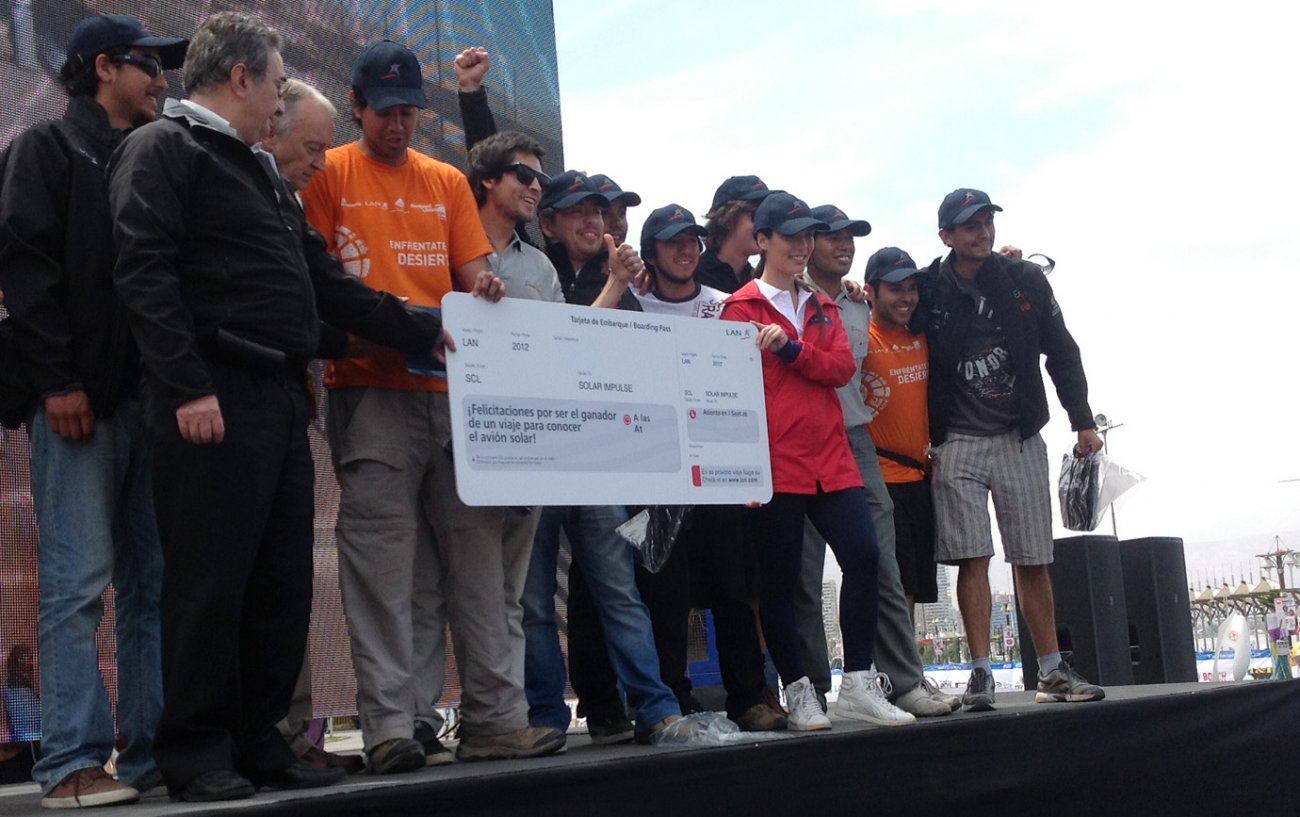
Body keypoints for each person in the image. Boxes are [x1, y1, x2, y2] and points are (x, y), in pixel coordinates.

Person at [108, 12, 450, 801]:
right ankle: (196, 748)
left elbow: (326, 284)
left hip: (278, 396)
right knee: (209, 580)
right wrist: (187, 384)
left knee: (279, 581)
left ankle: (259, 737)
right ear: (241, 79)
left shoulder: (261, 172)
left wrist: (420, 325)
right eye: (275, 80)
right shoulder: (164, 148)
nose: (279, 96)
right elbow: (144, 271)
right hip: (212, 388)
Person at [302, 39, 561, 768]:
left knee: (478, 568)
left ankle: (495, 718)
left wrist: (485, 286)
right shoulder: (329, 175)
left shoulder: (445, 181)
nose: (398, 125)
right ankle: (390, 727)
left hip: (454, 395)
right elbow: (316, 283)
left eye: (409, 111)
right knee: (383, 569)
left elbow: (474, 272)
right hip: (369, 391)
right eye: (385, 111)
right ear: (356, 106)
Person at [0, 13, 187, 808]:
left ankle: (150, 752)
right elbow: (24, 268)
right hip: (79, 401)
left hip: (152, 401)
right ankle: (72, 763)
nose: (162, 79)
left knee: (154, 582)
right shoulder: (44, 147)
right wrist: (57, 381)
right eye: (149, 63)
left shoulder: (154, 155)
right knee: (77, 584)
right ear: (105, 67)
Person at [721, 192, 915, 731]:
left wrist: (790, 350)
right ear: (762, 241)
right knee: (783, 581)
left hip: (830, 455)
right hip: (776, 461)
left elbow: (838, 369)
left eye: (808, 235)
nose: (803, 246)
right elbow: (729, 393)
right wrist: (738, 469)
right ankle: (800, 690)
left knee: (865, 556)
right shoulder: (739, 309)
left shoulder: (824, 305)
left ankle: (858, 682)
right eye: (791, 236)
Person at [918, 188, 1105, 710]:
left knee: (1033, 556)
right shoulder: (929, 286)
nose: (982, 233)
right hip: (956, 439)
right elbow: (889, 307)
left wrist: (1082, 420)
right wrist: (854, 292)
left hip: (1017, 435)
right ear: (946, 236)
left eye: (987, 222)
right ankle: (981, 673)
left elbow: (1062, 351)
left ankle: (1051, 669)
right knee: (971, 558)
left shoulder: (1024, 278)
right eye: (970, 226)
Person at [523, 171, 682, 744]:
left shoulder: (623, 281)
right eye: (577, 213)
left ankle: (656, 707)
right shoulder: (531, 273)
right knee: (533, 601)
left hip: (597, 462)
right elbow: (558, 349)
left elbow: (633, 363)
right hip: (535, 456)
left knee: (619, 591)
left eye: (597, 212)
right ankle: (545, 718)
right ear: (547, 224)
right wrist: (615, 285)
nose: (592, 222)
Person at [794, 209, 958, 720]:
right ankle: (812, 691)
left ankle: (901, 682)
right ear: (808, 242)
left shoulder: (858, 305)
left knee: (882, 563)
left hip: (854, 437)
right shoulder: (787, 297)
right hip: (798, 441)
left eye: (851, 237)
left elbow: (929, 292)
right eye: (833, 237)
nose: (844, 245)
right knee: (803, 570)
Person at [861, 247, 938, 623]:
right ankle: (901, 661)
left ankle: (906, 658)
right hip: (881, 480)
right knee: (898, 582)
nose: (906, 297)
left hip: (921, 479)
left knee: (917, 584)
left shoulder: (923, 335)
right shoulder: (860, 338)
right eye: (895, 288)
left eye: (912, 287)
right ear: (870, 291)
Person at [696, 175, 770, 294]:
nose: (763, 225)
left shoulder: (759, 281)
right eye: (756, 216)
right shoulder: (693, 277)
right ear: (728, 217)